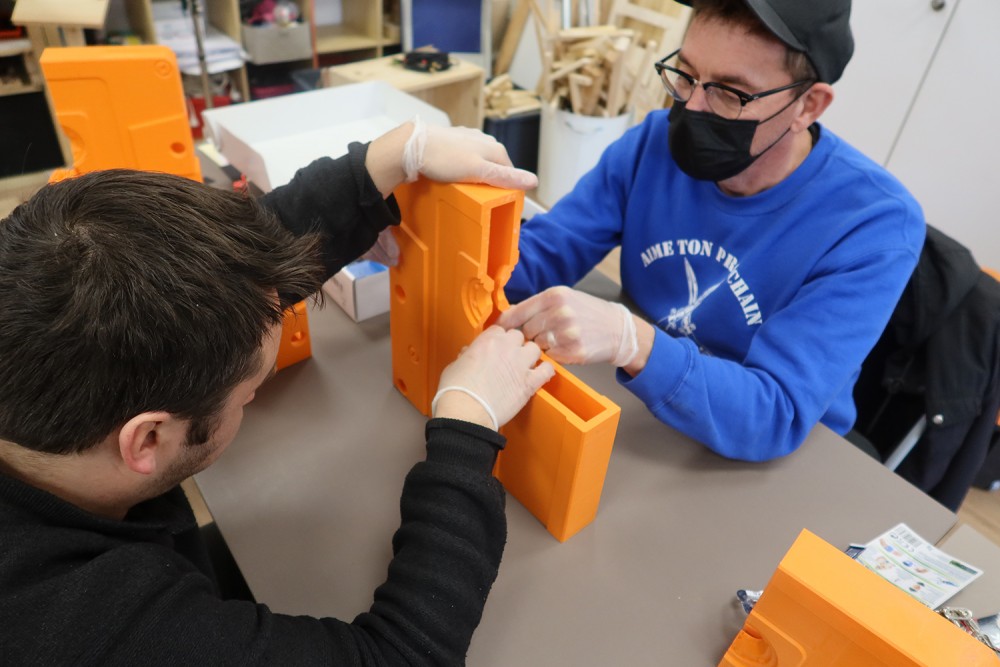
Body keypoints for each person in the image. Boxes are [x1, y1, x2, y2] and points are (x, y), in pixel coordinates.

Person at [0, 121, 554, 665]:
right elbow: (402, 656)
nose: (252, 396)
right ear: (146, 439)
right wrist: (466, 425)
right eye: (250, 390)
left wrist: (387, 159)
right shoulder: (88, 629)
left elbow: (210, 279)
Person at [499, 0, 925, 462]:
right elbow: (540, 256)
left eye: (730, 92)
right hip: (648, 404)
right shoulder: (652, 144)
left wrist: (632, 340)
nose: (694, 106)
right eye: (685, 74)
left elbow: (774, 414)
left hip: (770, 457)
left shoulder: (872, 224)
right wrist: (457, 218)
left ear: (808, 105)